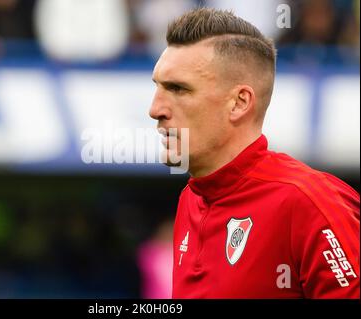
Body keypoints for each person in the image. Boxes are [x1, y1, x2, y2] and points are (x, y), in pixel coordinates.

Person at [149, 8, 359, 298]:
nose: (155, 109)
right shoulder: (190, 200)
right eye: (158, 87)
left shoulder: (308, 201)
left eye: (178, 89)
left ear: (239, 102)